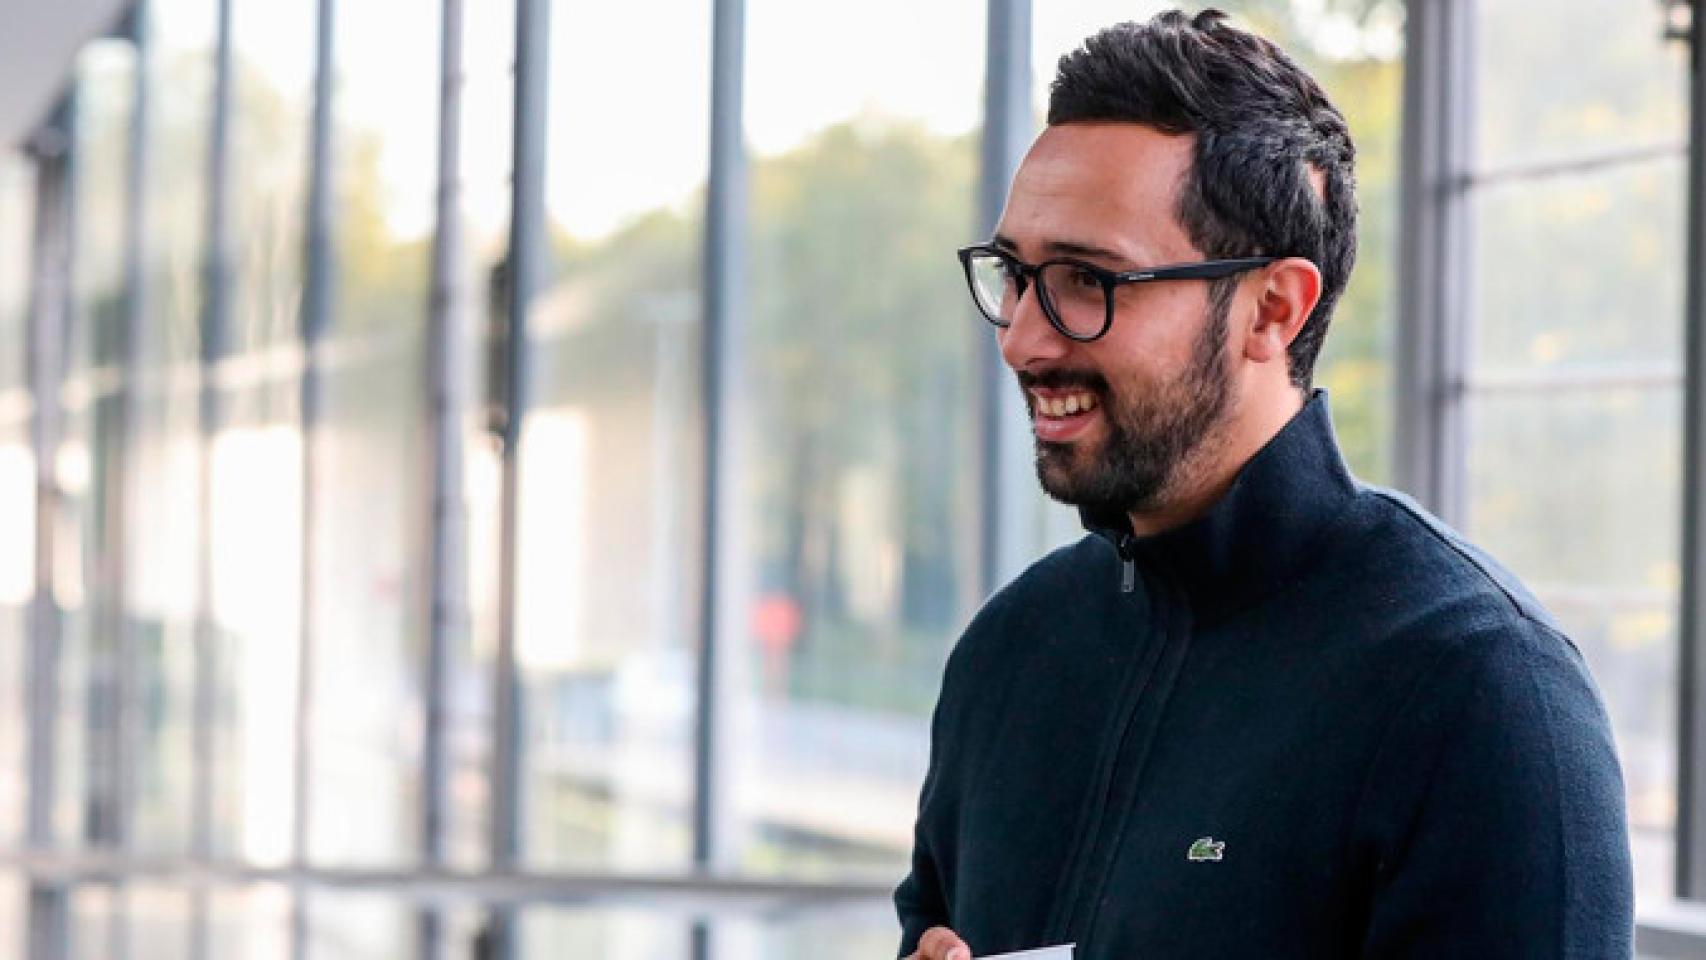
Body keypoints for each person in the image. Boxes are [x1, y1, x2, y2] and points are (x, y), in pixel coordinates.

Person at [896, 9, 1633, 959]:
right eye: (1015, 274)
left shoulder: (1480, 690)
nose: (1023, 340)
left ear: (1271, 309)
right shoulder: (1010, 653)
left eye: (1087, 280)